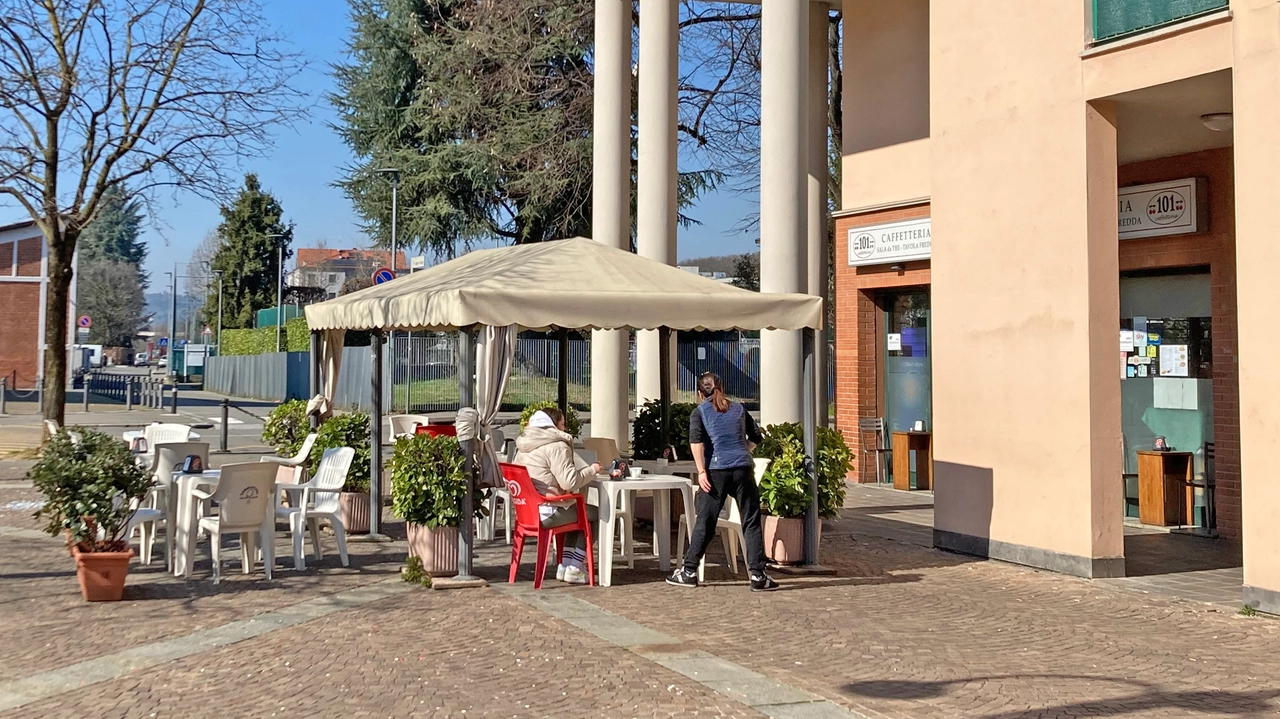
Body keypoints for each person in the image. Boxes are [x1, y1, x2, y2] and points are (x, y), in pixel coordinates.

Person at [667, 372, 778, 591]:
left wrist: (701, 471)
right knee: (751, 521)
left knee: (706, 522)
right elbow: (756, 437)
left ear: (700, 394)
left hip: (715, 472)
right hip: (743, 469)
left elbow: (696, 442)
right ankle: (758, 576)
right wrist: (741, 451)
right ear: (721, 388)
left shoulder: (699, 412)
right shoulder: (739, 409)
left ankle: (689, 571)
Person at [514, 408, 603, 584]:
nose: (564, 429)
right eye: (562, 424)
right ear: (553, 426)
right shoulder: (557, 446)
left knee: (576, 510)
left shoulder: (523, 447)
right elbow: (569, 482)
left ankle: (565, 565)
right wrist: (592, 470)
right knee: (598, 514)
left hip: (527, 513)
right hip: (550, 511)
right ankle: (575, 566)